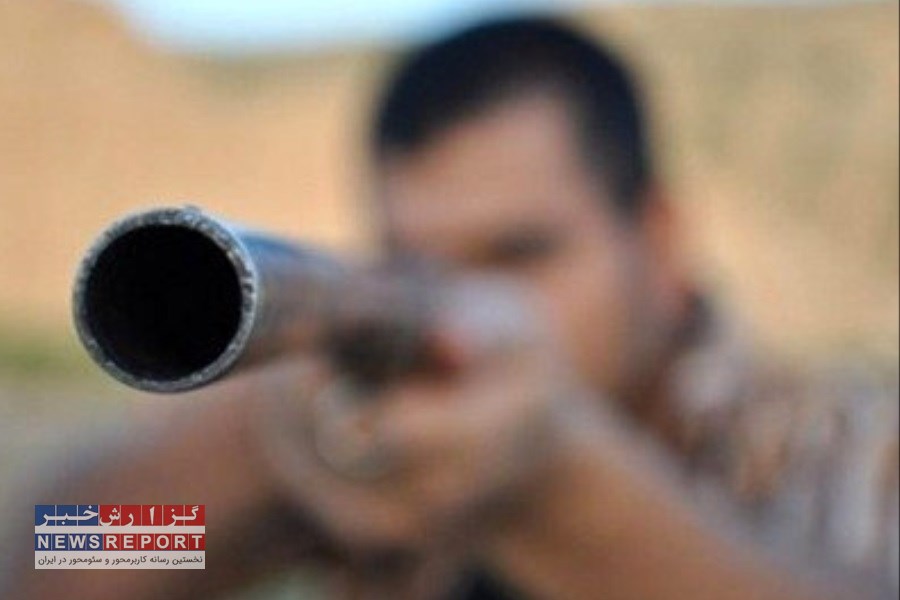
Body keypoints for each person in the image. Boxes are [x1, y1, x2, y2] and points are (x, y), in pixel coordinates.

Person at [1, 16, 896, 600]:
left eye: (519, 254)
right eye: (413, 267)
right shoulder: (371, 448)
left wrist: (560, 487)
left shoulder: (843, 444)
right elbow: (59, 556)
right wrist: (255, 443)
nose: (464, 302)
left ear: (656, 243)